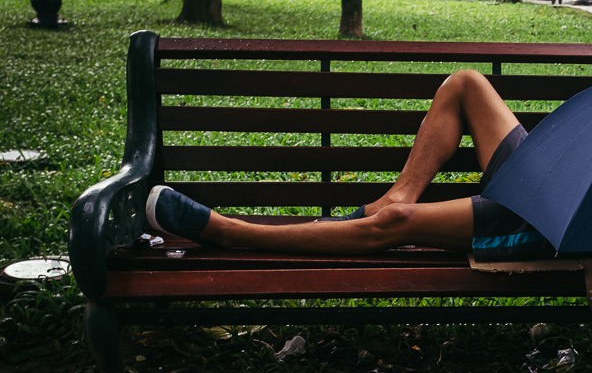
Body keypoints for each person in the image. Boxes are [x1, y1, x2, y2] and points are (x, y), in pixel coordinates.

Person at [146, 70, 555, 262]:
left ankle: (230, 232)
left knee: (395, 222)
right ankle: (397, 192)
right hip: (550, 175)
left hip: (543, 221)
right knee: (466, 83)